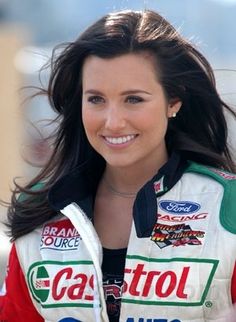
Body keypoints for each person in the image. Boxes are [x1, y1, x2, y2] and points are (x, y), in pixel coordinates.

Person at [0, 8, 236, 322]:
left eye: (134, 99)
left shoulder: (228, 208)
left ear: (173, 101)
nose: (113, 122)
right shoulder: (41, 213)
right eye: (96, 99)